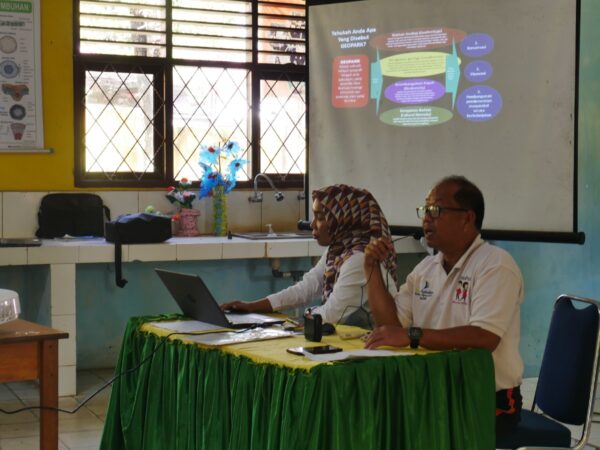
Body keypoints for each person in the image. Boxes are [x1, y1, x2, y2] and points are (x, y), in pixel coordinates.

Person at [363, 175, 524, 435]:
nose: (426, 218)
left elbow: (484, 337)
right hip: (434, 389)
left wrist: (412, 336)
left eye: (436, 210)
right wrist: (370, 268)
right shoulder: (425, 269)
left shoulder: (496, 265)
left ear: (467, 218)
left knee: (414, 430)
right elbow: (390, 327)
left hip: (486, 398)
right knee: (380, 420)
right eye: (425, 210)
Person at [220, 184, 399, 327]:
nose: (313, 224)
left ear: (342, 220)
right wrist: (252, 306)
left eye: (320, 217)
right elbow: (306, 288)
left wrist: (288, 323)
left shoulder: (359, 259)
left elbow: (330, 315)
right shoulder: (339, 251)